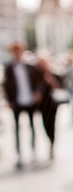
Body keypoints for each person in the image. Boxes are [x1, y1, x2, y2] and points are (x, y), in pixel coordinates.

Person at [2, 41, 44, 169]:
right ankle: (19, 153)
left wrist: (37, 92)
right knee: (17, 128)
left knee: (32, 126)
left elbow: (39, 80)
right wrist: (9, 100)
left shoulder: (29, 66)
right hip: (17, 101)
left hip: (30, 100)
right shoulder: (10, 67)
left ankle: (33, 150)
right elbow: (6, 85)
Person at [35, 54, 63, 160]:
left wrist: (50, 80)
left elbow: (60, 86)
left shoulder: (54, 74)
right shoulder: (38, 75)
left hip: (52, 104)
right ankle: (50, 139)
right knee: (45, 124)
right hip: (42, 105)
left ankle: (52, 141)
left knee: (52, 124)